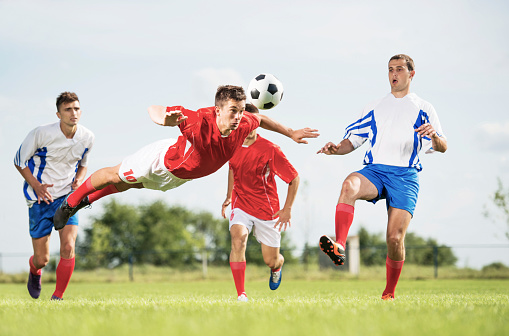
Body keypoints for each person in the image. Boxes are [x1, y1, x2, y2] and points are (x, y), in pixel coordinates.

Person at [53, 85, 318, 232]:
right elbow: (155, 109)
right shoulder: (197, 120)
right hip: (161, 160)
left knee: (126, 186)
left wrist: (290, 132)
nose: (238, 117)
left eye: (240, 111)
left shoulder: (244, 123)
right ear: (218, 110)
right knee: (114, 175)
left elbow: (260, 118)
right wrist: (163, 119)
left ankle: (83, 202)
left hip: (179, 177)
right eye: (233, 111)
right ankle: (71, 203)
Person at [317, 54, 447, 301]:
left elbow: (442, 146)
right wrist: (336, 148)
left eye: (399, 69)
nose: (394, 74)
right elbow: (353, 141)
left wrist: (436, 136)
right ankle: (340, 246)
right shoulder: (375, 106)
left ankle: (389, 293)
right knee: (349, 185)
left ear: (411, 74)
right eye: (390, 70)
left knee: (394, 238)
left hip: (405, 177)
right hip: (375, 171)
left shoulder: (424, 108)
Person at [14, 92, 95, 300]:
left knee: (68, 246)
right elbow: (18, 160)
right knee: (43, 259)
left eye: (76, 109)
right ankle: (35, 270)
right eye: (68, 109)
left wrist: (78, 180)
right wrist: (37, 186)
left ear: (81, 111)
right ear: (58, 114)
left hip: (67, 197)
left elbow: (83, 165)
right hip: (40, 198)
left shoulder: (87, 137)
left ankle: (57, 297)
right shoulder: (41, 133)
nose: (73, 113)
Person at [221, 104, 300, 302]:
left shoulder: (270, 149)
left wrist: (287, 209)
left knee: (270, 260)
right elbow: (232, 168)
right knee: (237, 238)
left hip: (267, 210)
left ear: (257, 123)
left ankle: (278, 266)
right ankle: (241, 294)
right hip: (241, 204)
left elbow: (294, 178)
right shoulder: (231, 144)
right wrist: (229, 196)